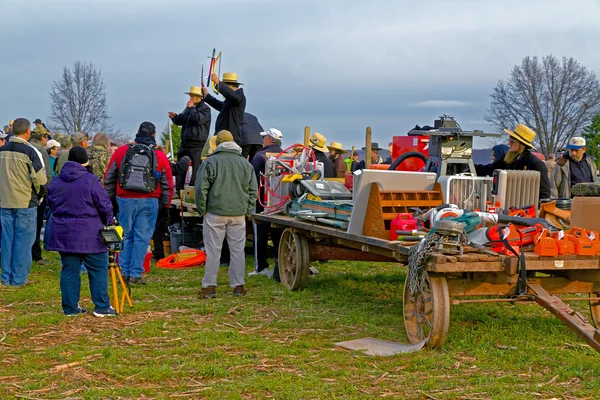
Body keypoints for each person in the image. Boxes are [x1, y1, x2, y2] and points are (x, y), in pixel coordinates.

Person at [46, 146, 116, 317]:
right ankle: (102, 306)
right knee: (98, 268)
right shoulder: (91, 181)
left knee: (69, 269)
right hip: (90, 234)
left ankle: (70, 308)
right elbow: (105, 206)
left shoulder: (56, 181)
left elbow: (50, 204)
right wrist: (109, 222)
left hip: (64, 234)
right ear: (86, 161)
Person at [105, 122, 174, 284]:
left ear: (137, 133)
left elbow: (109, 177)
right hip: (149, 200)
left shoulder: (122, 151)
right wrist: (166, 204)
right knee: (142, 238)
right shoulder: (159, 156)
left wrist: (110, 199)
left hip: (124, 199)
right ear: (154, 136)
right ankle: (136, 273)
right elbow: (167, 184)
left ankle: (123, 271)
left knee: (125, 236)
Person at [195, 130, 257, 298]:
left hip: (215, 212)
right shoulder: (245, 164)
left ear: (218, 144)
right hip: (238, 214)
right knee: (238, 251)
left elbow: (201, 189)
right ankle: (238, 286)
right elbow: (253, 190)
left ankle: (209, 287)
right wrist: (247, 209)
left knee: (213, 251)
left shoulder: (211, 162)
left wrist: (202, 209)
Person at [0, 118, 47, 286]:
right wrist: (40, 196)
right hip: (25, 202)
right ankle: (18, 278)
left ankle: (6, 277)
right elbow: (40, 180)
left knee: (7, 240)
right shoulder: (31, 152)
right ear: (28, 132)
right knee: (23, 241)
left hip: (5, 201)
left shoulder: (1, 150)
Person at [251, 128, 283, 277]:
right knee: (278, 233)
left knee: (260, 235)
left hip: (261, 202)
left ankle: (261, 267)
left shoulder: (259, 156)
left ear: (269, 140)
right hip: (281, 203)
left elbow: (250, 179)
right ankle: (280, 262)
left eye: (264, 138)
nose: (263, 141)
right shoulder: (286, 154)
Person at [169, 86, 211, 191]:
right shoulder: (189, 108)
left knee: (196, 169)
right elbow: (181, 120)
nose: (191, 98)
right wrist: (175, 118)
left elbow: (197, 119)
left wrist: (191, 108)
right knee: (180, 166)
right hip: (185, 143)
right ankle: (179, 190)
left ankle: (192, 191)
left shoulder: (205, 109)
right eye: (190, 96)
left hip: (197, 144)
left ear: (199, 97)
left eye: (193, 96)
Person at [503, 124, 551, 200]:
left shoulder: (536, 164)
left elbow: (545, 193)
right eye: (509, 141)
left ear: (522, 145)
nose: (509, 143)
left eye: (512, 142)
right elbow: (489, 168)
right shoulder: (507, 159)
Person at [29, 126, 53, 266]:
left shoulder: (26, 146)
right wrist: (45, 192)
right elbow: (47, 174)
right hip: (38, 193)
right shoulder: (41, 150)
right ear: (42, 137)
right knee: (37, 225)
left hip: (23, 192)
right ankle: (36, 255)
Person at [202, 72, 246, 146]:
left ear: (230, 86)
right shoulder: (231, 100)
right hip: (224, 138)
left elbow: (231, 95)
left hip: (231, 138)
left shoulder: (239, 96)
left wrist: (218, 83)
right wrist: (207, 96)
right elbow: (221, 106)